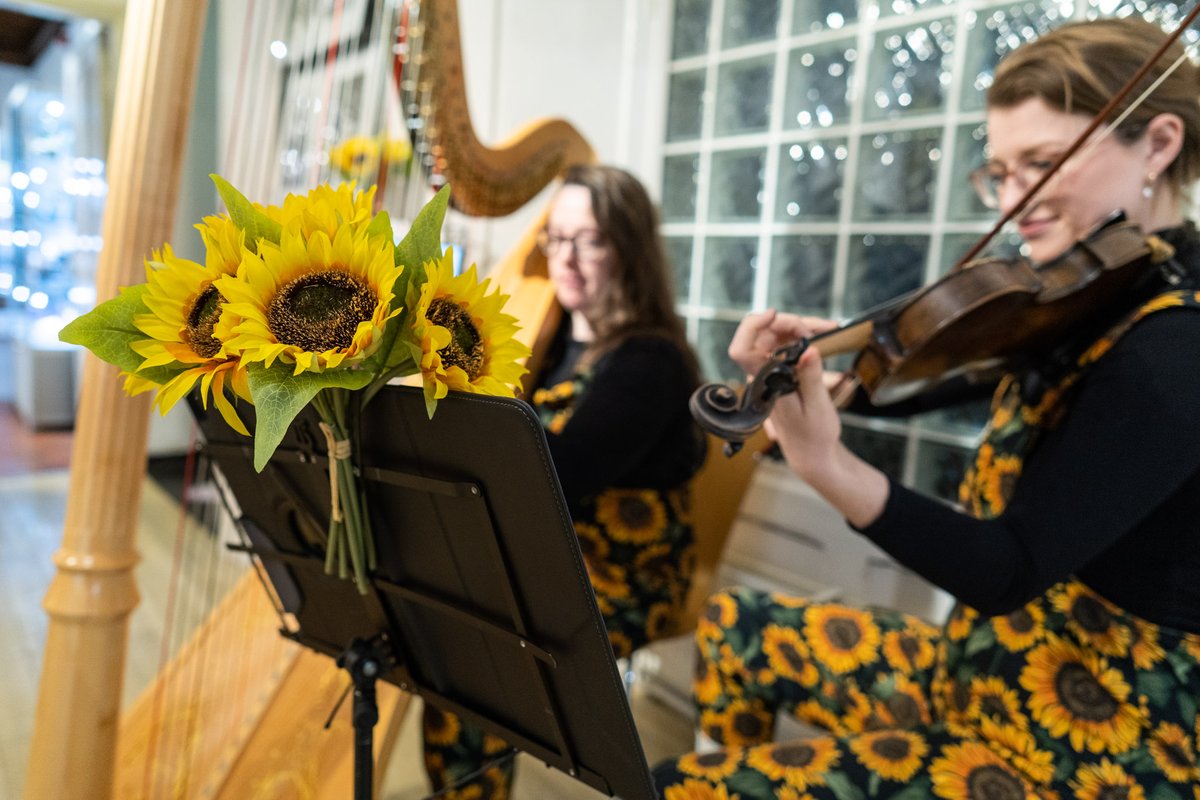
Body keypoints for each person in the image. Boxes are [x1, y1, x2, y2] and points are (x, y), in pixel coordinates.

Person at [653, 17, 1200, 800]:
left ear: (1158, 144)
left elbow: (1005, 568)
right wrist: (830, 371)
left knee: (681, 786)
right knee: (736, 629)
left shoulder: (1175, 350)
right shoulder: (1100, 293)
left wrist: (826, 464)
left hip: (1082, 751)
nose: (1016, 202)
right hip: (991, 672)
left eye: (1043, 166)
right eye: (1001, 173)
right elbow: (948, 369)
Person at [422, 163, 708, 798]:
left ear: (629, 248)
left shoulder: (650, 363)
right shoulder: (549, 341)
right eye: (557, 236)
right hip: (547, 553)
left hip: (623, 575)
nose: (566, 258)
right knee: (442, 622)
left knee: (477, 652)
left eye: (591, 240)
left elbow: (554, 477)